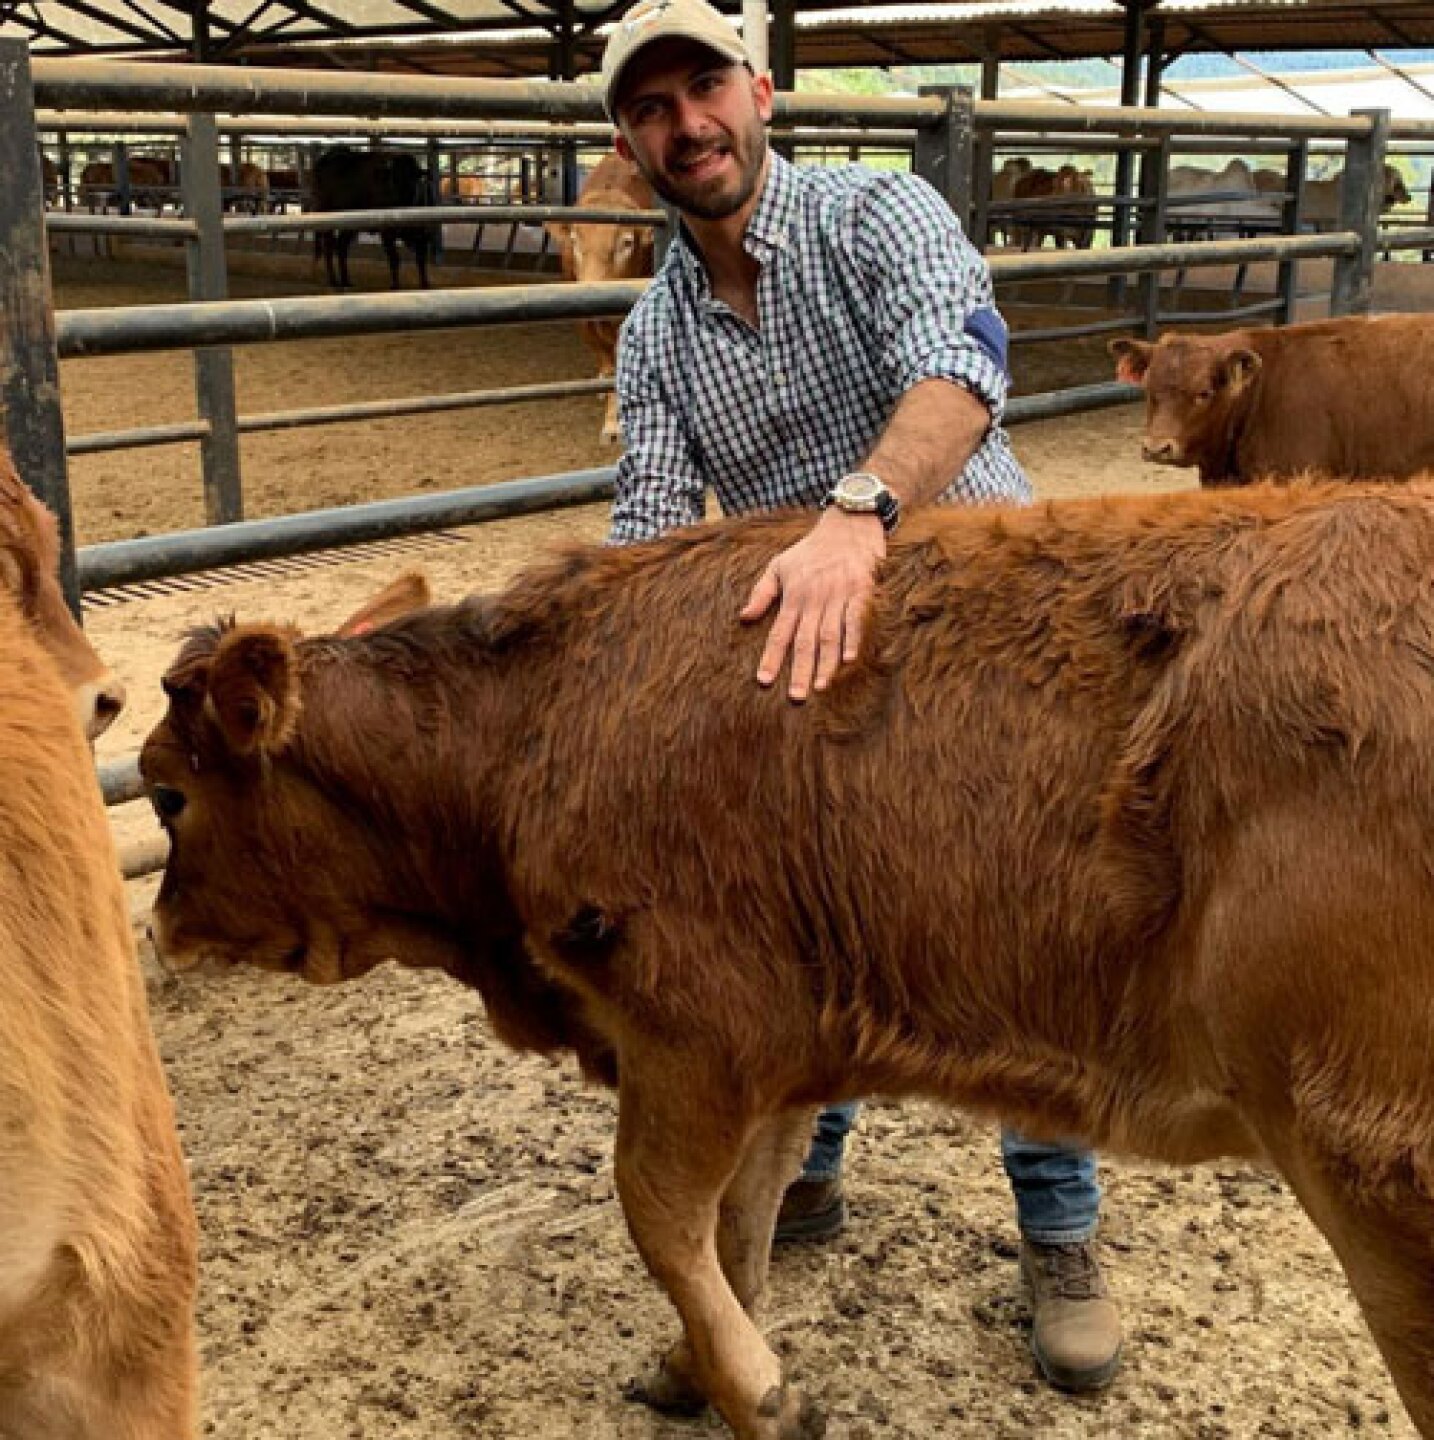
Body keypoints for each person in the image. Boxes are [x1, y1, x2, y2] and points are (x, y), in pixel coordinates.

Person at [598, 0, 1123, 1394]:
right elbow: (649, 528)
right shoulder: (654, 330)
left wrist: (856, 515)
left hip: (987, 634)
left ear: (758, 90)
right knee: (809, 929)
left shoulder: (872, 213)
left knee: (1016, 926)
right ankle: (809, 1162)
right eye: (650, 109)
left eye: (702, 88)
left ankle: (1060, 1232)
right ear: (625, 139)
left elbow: (966, 364)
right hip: (800, 662)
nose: (685, 126)